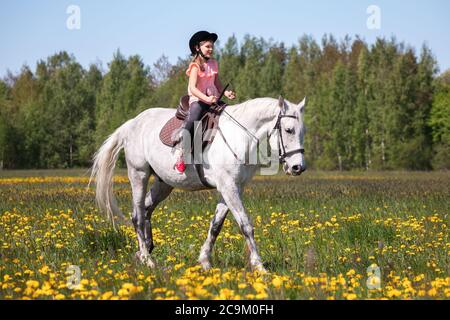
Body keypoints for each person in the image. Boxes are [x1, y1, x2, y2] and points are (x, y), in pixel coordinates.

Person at [174, 31, 236, 174]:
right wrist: (206, 99)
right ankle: (181, 151)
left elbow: (217, 83)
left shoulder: (214, 63)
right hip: (199, 100)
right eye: (207, 46)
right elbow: (192, 88)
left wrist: (226, 92)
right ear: (198, 48)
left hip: (213, 99)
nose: (211, 49)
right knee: (194, 116)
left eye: (212, 46)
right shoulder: (195, 66)